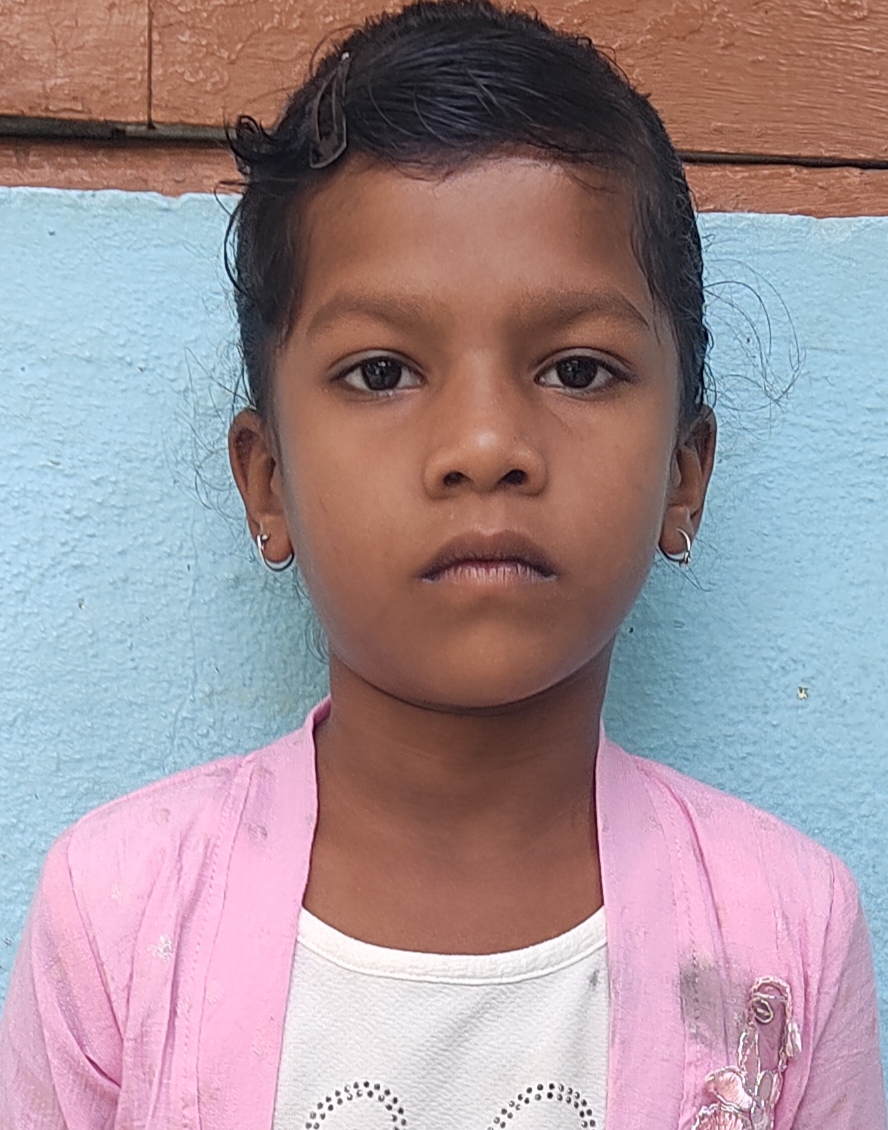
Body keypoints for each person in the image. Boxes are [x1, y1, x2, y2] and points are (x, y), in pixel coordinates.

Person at [0, 1, 884, 1126]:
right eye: (382, 371)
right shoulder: (119, 917)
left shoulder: (784, 932)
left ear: (683, 474)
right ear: (268, 483)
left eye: (576, 370)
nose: (485, 444)